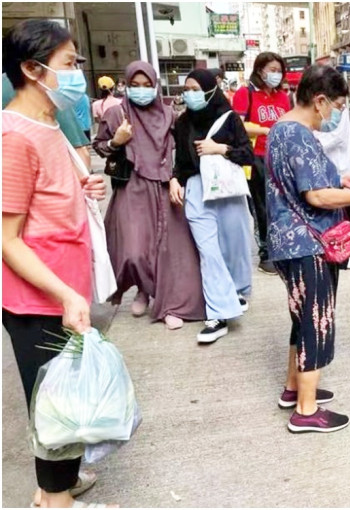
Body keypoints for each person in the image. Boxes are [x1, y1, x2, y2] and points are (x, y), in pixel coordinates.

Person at [2, 19, 113, 508]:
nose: (77, 76)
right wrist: (66, 294)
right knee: (55, 408)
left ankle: (57, 489)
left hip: (64, 291)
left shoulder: (49, 123)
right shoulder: (13, 135)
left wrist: (85, 187)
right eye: (69, 65)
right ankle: (55, 501)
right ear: (32, 69)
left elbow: (48, 197)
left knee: (65, 403)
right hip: (39, 299)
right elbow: (7, 238)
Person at [267, 65, 350, 433]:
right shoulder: (298, 135)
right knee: (316, 321)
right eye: (335, 106)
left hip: (290, 242)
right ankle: (306, 409)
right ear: (318, 101)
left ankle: (293, 388)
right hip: (308, 243)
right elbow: (315, 195)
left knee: (302, 319)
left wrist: (343, 180)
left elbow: (308, 179)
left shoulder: (283, 128)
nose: (334, 115)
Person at [94, 61, 205, 330]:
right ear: (125, 86)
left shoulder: (169, 115)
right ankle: (144, 288)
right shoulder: (116, 114)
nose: (141, 91)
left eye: (147, 86)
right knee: (134, 251)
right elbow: (100, 147)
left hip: (166, 187)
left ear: (155, 86)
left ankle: (167, 302)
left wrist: (178, 178)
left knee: (169, 250)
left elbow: (183, 149)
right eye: (135, 86)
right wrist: (116, 141)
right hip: (131, 187)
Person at [172, 69, 255, 344]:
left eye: (196, 88)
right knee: (209, 253)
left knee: (234, 245)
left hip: (227, 190)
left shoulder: (229, 118)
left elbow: (247, 155)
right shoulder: (183, 122)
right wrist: (175, 178)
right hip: (197, 190)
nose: (190, 94)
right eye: (187, 89)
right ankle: (218, 315)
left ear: (210, 89)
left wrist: (219, 148)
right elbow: (183, 160)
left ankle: (235, 291)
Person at [232, 51, 291, 275]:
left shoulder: (283, 97)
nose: (276, 75)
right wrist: (268, 129)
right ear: (259, 70)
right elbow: (238, 125)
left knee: (282, 205)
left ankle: (281, 246)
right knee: (261, 205)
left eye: (279, 71)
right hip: (255, 157)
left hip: (280, 157)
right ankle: (266, 252)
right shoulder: (245, 94)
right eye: (272, 70)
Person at [2, 71, 92, 169]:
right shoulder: (47, 92)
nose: (74, 71)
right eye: (68, 63)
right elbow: (80, 153)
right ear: (30, 67)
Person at [313, 101, 350, 269]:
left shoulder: (340, 112)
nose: (340, 107)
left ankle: (344, 257)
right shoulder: (314, 114)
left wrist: (309, 139)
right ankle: (331, 256)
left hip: (342, 172)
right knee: (330, 222)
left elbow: (335, 138)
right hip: (326, 176)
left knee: (345, 222)